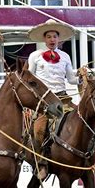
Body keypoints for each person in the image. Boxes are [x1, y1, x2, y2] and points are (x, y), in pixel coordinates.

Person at [27, 19, 79, 179]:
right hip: (44, 101)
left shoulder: (65, 56)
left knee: (81, 119)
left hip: (63, 98)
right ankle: (41, 163)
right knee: (39, 130)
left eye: (54, 36)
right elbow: (29, 78)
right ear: (44, 39)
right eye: (48, 36)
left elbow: (71, 78)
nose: (52, 40)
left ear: (59, 39)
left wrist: (82, 77)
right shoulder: (35, 56)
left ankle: (85, 157)